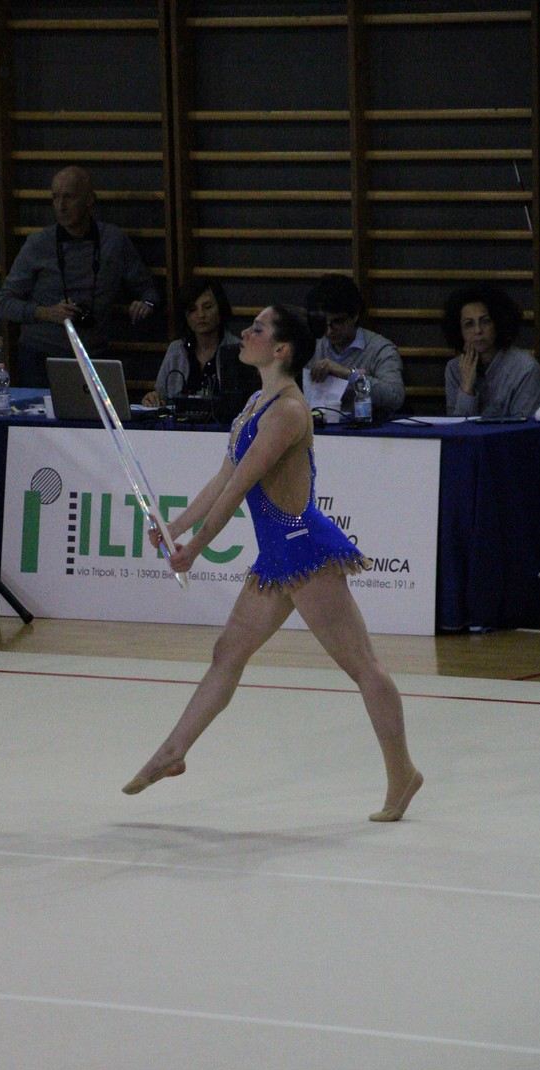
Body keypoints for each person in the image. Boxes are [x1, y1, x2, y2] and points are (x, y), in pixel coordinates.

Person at [123, 304, 422, 822]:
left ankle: (403, 775)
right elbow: (222, 479)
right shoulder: (255, 402)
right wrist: (175, 528)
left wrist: (194, 549)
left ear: (281, 349)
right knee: (227, 652)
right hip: (279, 556)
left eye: (257, 329)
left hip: (303, 551)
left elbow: (240, 490)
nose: (245, 332)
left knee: (363, 668)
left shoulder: (287, 412)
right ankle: (173, 752)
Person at [0, 165, 158, 386]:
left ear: (89, 200)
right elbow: (5, 303)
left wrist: (145, 304)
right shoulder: (38, 244)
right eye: (55, 198)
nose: (61, 206)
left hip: (94, 355)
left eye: (69, 197)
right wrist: (47, 313)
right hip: (41, 356)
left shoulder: (114, 241)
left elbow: (148, 290)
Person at [141, 277, 258, 419]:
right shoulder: (176, 350)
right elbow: (161, 396)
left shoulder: (239, 351)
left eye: (207, 307)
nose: (201, 315)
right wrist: (153, 399)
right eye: (192, 309)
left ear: (220, 309)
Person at [305, 274, 406, 417]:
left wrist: (349, 374)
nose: (329, 331)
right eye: (324, 323)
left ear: (355, 315)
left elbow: (395, 397)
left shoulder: (380, 349)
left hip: (367, 432)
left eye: (338, 322)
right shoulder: (312, 346)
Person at [442, 283, 540, 418]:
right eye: (469, 324)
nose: (478, 330)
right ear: (459, 331)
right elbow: (456, 430)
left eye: (485, 321)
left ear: (498, 323)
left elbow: (524, 429)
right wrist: (466, 389)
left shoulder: (525, 368)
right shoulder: (454, 368)